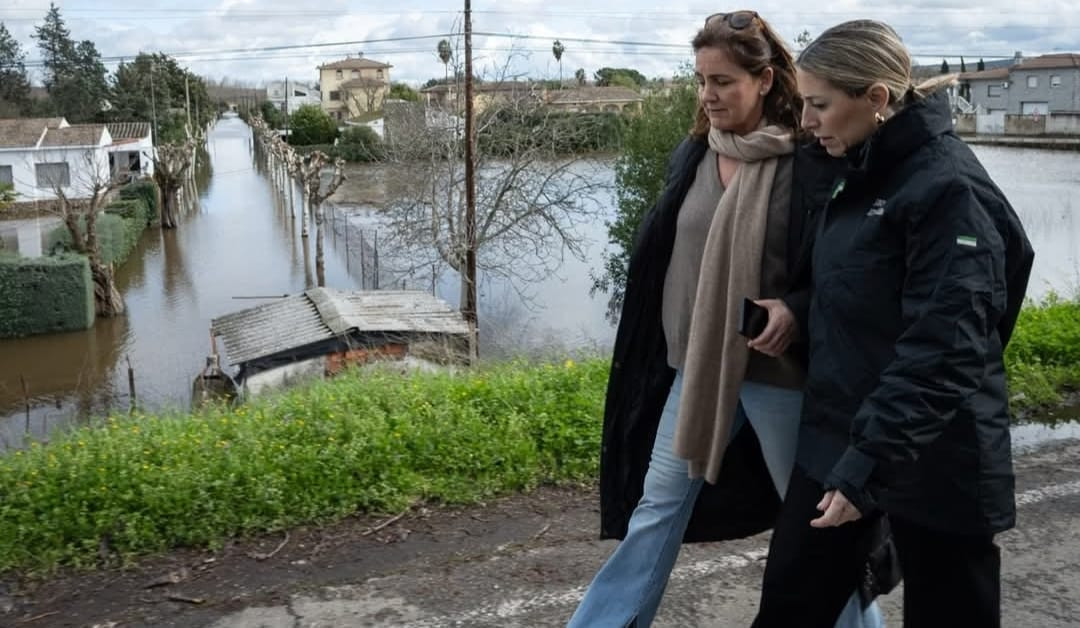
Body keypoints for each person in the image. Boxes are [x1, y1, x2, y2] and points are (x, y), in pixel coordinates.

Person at [568, 11, 881, 628]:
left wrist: (796, 309)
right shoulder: (695, 153)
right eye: (700, 81)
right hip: (697, 368)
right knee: (656, 509)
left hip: (776, 376)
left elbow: (844, 265)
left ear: (764, 81)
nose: (707, 95)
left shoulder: (809, 160)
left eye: (723, 82)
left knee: (817, 520)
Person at [752, 19, 1035, 628]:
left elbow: (949, 345)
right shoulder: (857, 169)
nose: (807, 121)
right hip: (841, 438)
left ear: (877, 98)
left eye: (820, 104)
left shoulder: (949, 189)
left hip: (937, 455)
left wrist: (870, 465)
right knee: (788, 608)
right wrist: (799, 308)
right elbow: (864, 279)